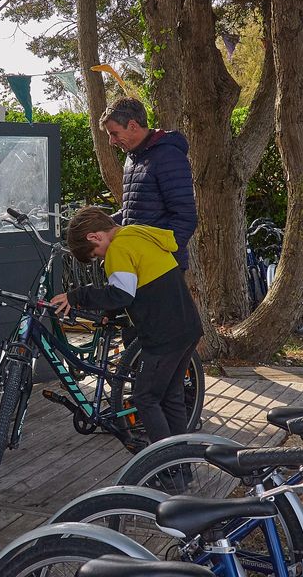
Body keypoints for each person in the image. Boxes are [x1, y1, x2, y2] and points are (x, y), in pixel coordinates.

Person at [50, 206, 204, 448]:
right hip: (187, 327)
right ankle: (180, 465)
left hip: (162, 335)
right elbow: (135, 283)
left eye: (96, 254)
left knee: (146, 398)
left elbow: (121, 294)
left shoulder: (118, 249)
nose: (101, 258)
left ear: (95, 237)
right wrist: (108, 313)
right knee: (171, 396)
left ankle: (165, 466)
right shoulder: (135, 234)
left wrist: (77, 295)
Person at [100, 97, 197, 269]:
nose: (111, 142)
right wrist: (99, 222)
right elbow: (135, 211)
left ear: (132, 126)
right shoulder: (133, 158)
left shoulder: (168, 156)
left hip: (162, 269)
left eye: (114, 134)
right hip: (140, 262)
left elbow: (185, 217)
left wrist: (159, 258)